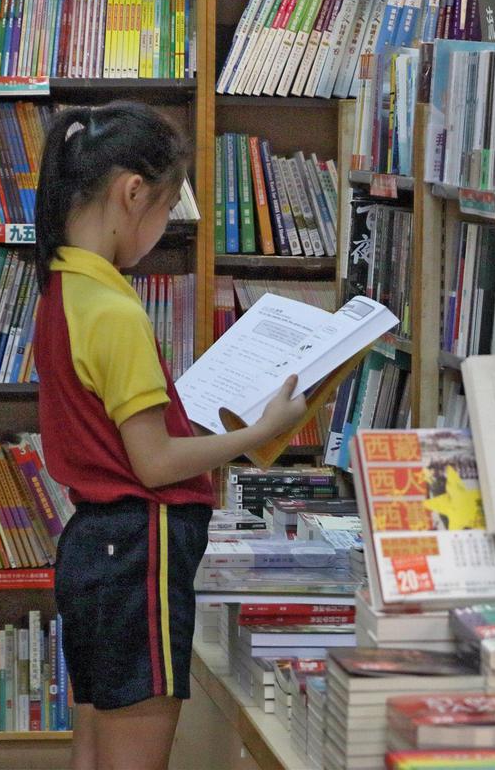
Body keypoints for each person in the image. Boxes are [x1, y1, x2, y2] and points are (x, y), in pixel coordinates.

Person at [33, 101, 306, 769]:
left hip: (96, 544)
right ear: (133, 194)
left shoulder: (62, 289)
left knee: (97, 746)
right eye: (165, 209)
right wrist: (264, 430)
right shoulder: (114, 310)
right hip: (140, 548)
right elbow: (153, 463)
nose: (163, 228)